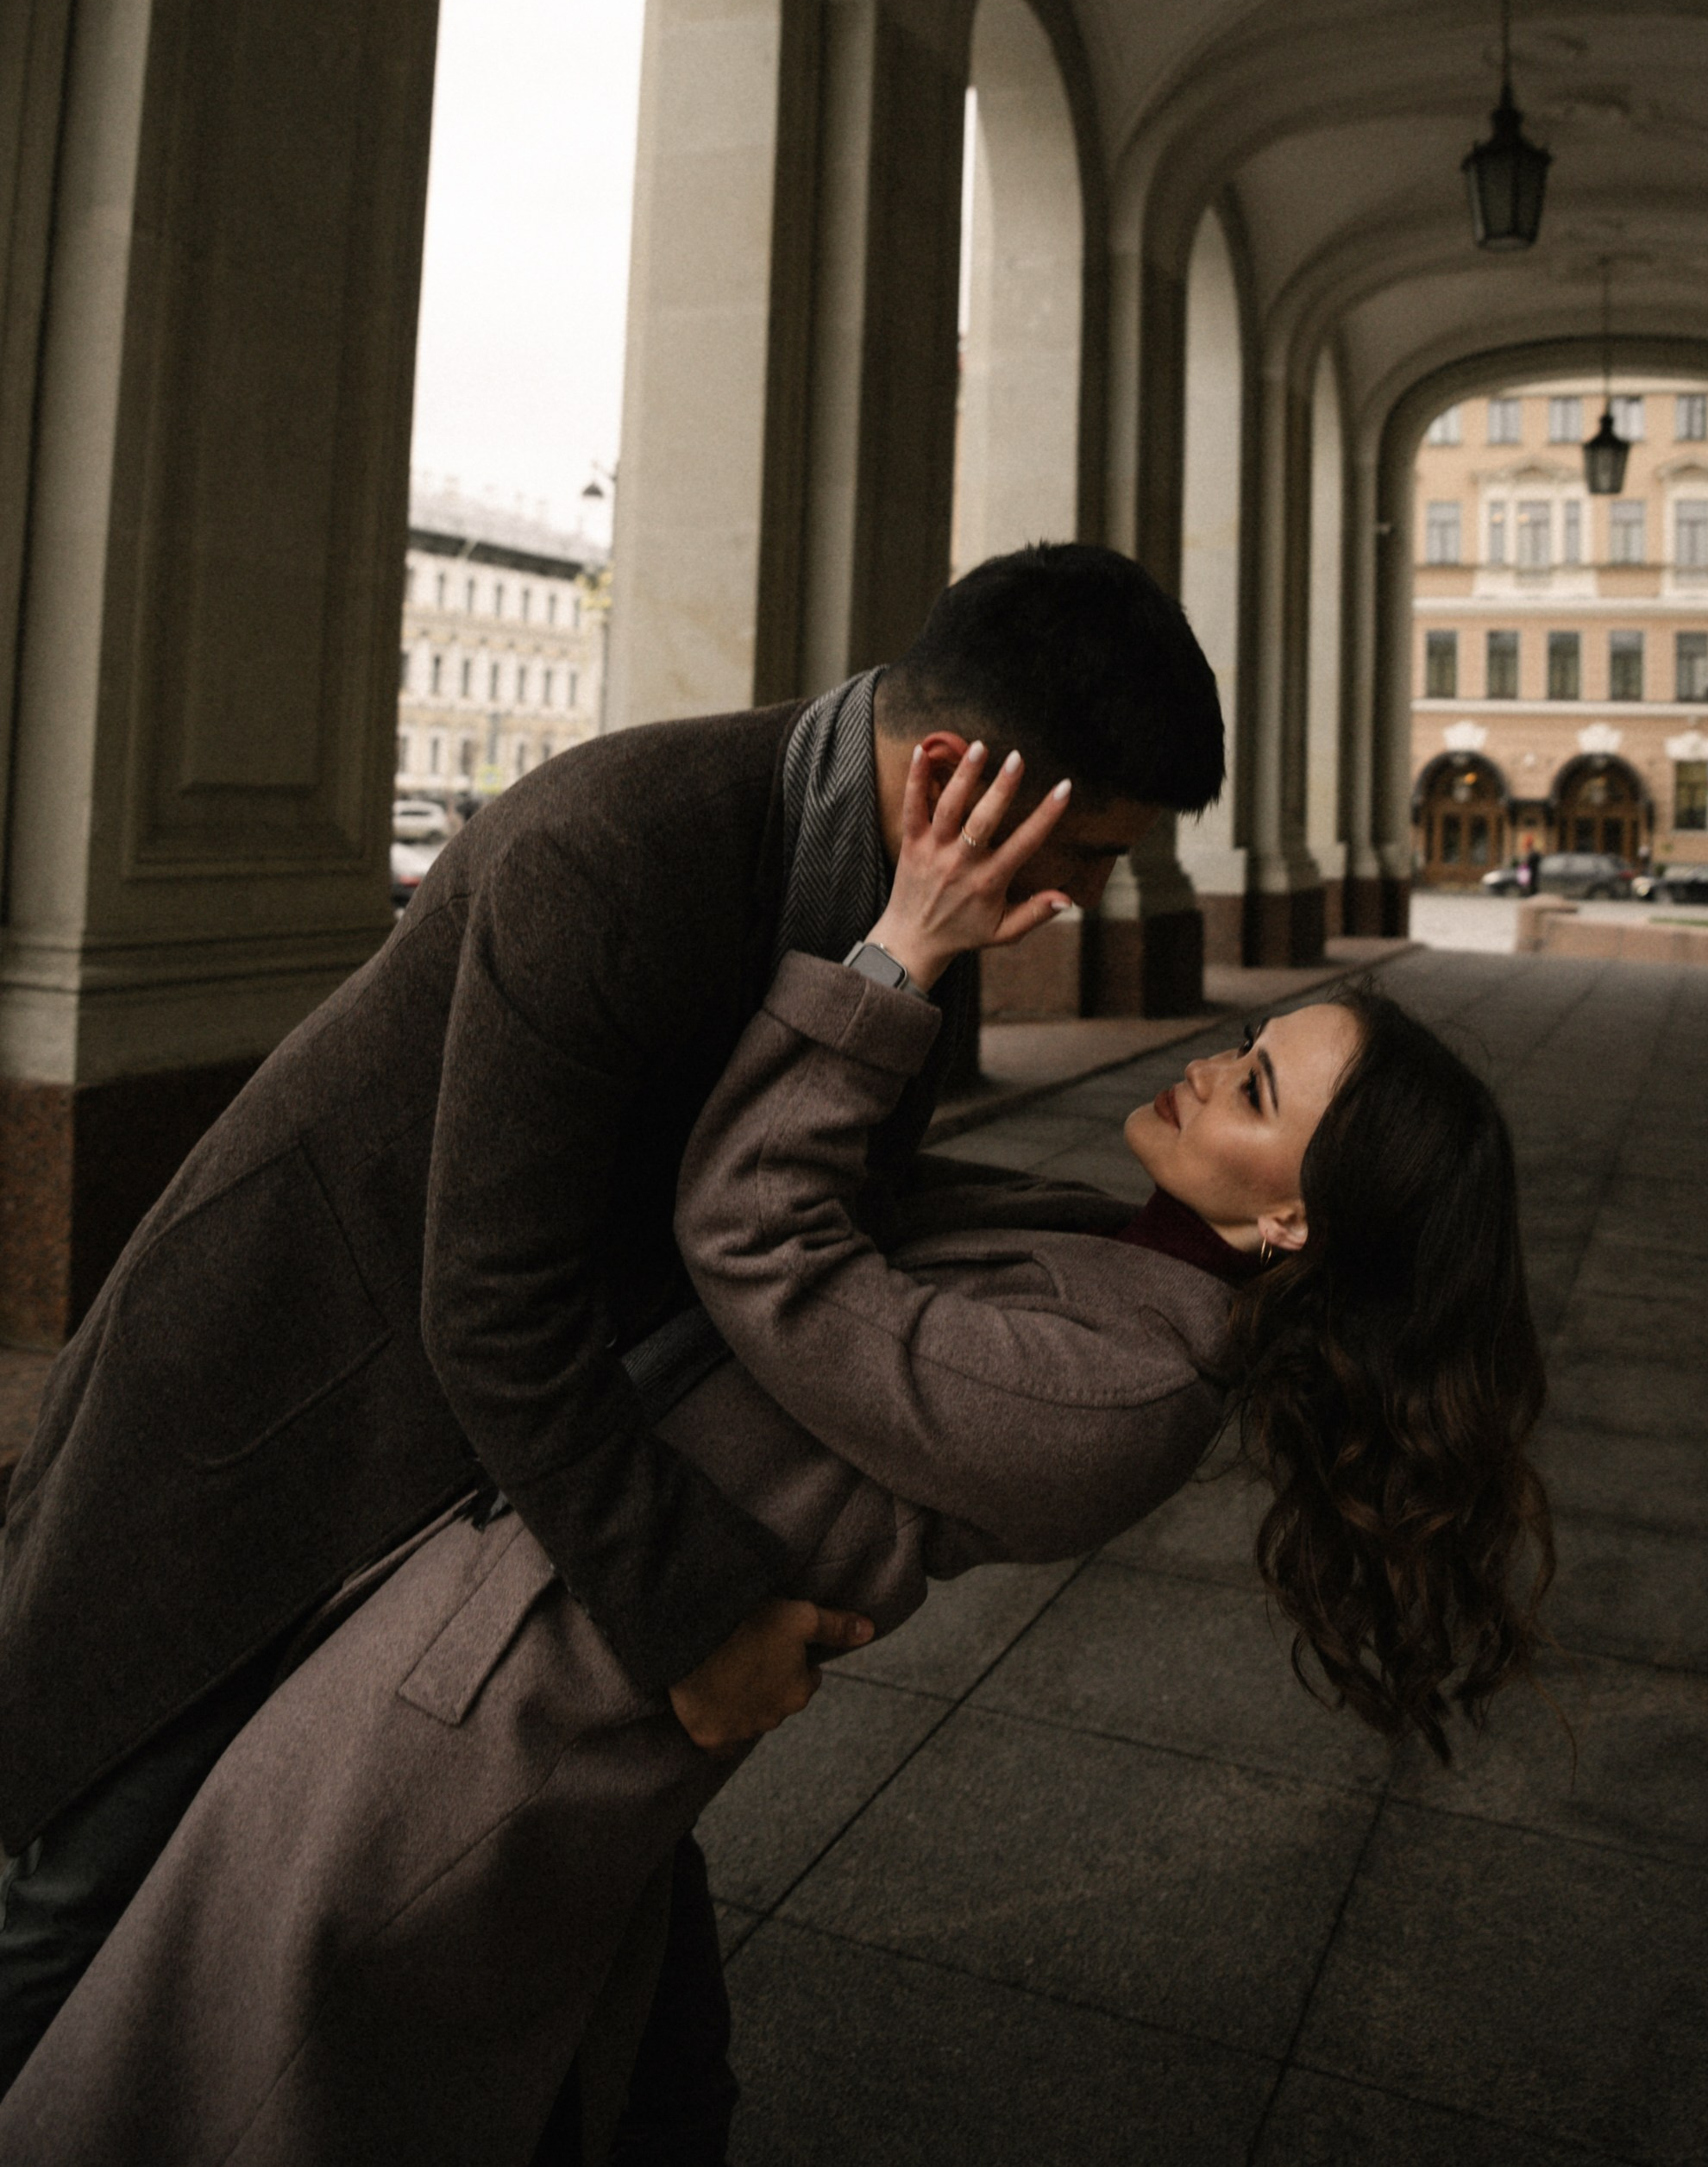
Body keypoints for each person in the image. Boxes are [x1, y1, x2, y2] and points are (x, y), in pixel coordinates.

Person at [0, 744, 1553, 2165]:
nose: (1212, 1068)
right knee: (602, 2063)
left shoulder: (1123, 1390)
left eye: (1258, 1091)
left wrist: (908, 955)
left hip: (520, 1701)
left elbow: (765, 1247)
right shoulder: (1129, 1261)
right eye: (1244, 1043)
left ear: (1292, 1218)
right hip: (565, 1642)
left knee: (252, 2058)